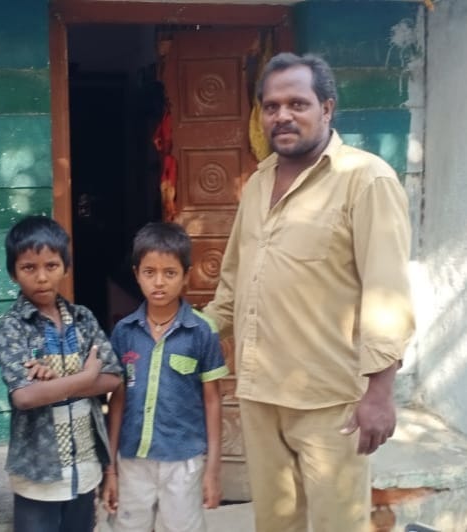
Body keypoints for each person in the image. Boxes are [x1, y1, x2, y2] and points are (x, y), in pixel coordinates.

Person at [202, 52, 415, 532]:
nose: (283, 115)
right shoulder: (258, 183)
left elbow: (388, 291)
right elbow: (233, 283)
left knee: (337, 524)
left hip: (330, 402)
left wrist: (380, 392)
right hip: (259, 395)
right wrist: (178, 331)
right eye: (271, 106)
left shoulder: (366, 180)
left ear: (327, 108)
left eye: (297, 103)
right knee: (277, 524)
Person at [0, 215, 123, 532]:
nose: (41, 277)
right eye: (29, 268)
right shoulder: (13, 326)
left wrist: (55, 385)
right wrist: (82, 379)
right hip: (38, 475)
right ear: (13, 272)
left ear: (65, 267)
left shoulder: (83, 319)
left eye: (51, 266)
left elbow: (113, 377)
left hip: (85, 466)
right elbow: (24, 396)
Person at [101, 222, 227, 532]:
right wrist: (111, 468)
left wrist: (212, 469)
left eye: (170, 273)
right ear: (136, 274)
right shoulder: (124, 332)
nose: (159, 282)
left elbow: (212, 401)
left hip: (183, 461)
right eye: (149, 272)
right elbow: (116, 400)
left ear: (186, 276)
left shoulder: (201, 331)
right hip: (132, 459)